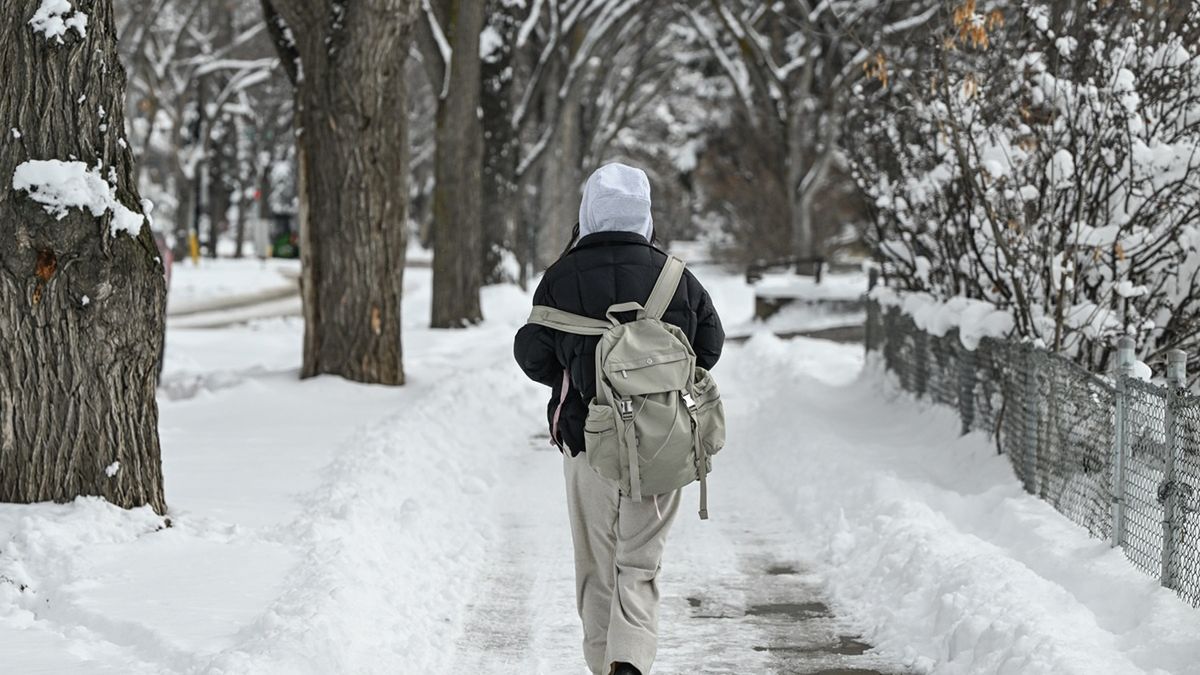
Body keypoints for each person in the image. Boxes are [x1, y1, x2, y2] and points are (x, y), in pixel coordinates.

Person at [513, 163, 724, 675]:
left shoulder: (560, 277)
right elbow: (709, 348)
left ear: (588, 212)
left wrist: (582, 370)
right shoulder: (676, 276)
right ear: (645, 214)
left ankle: (601, 661)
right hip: (663, 439)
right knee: (640, 562)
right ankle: (630, 660)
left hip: (588, 442)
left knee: (595, 563)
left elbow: (531, 352)